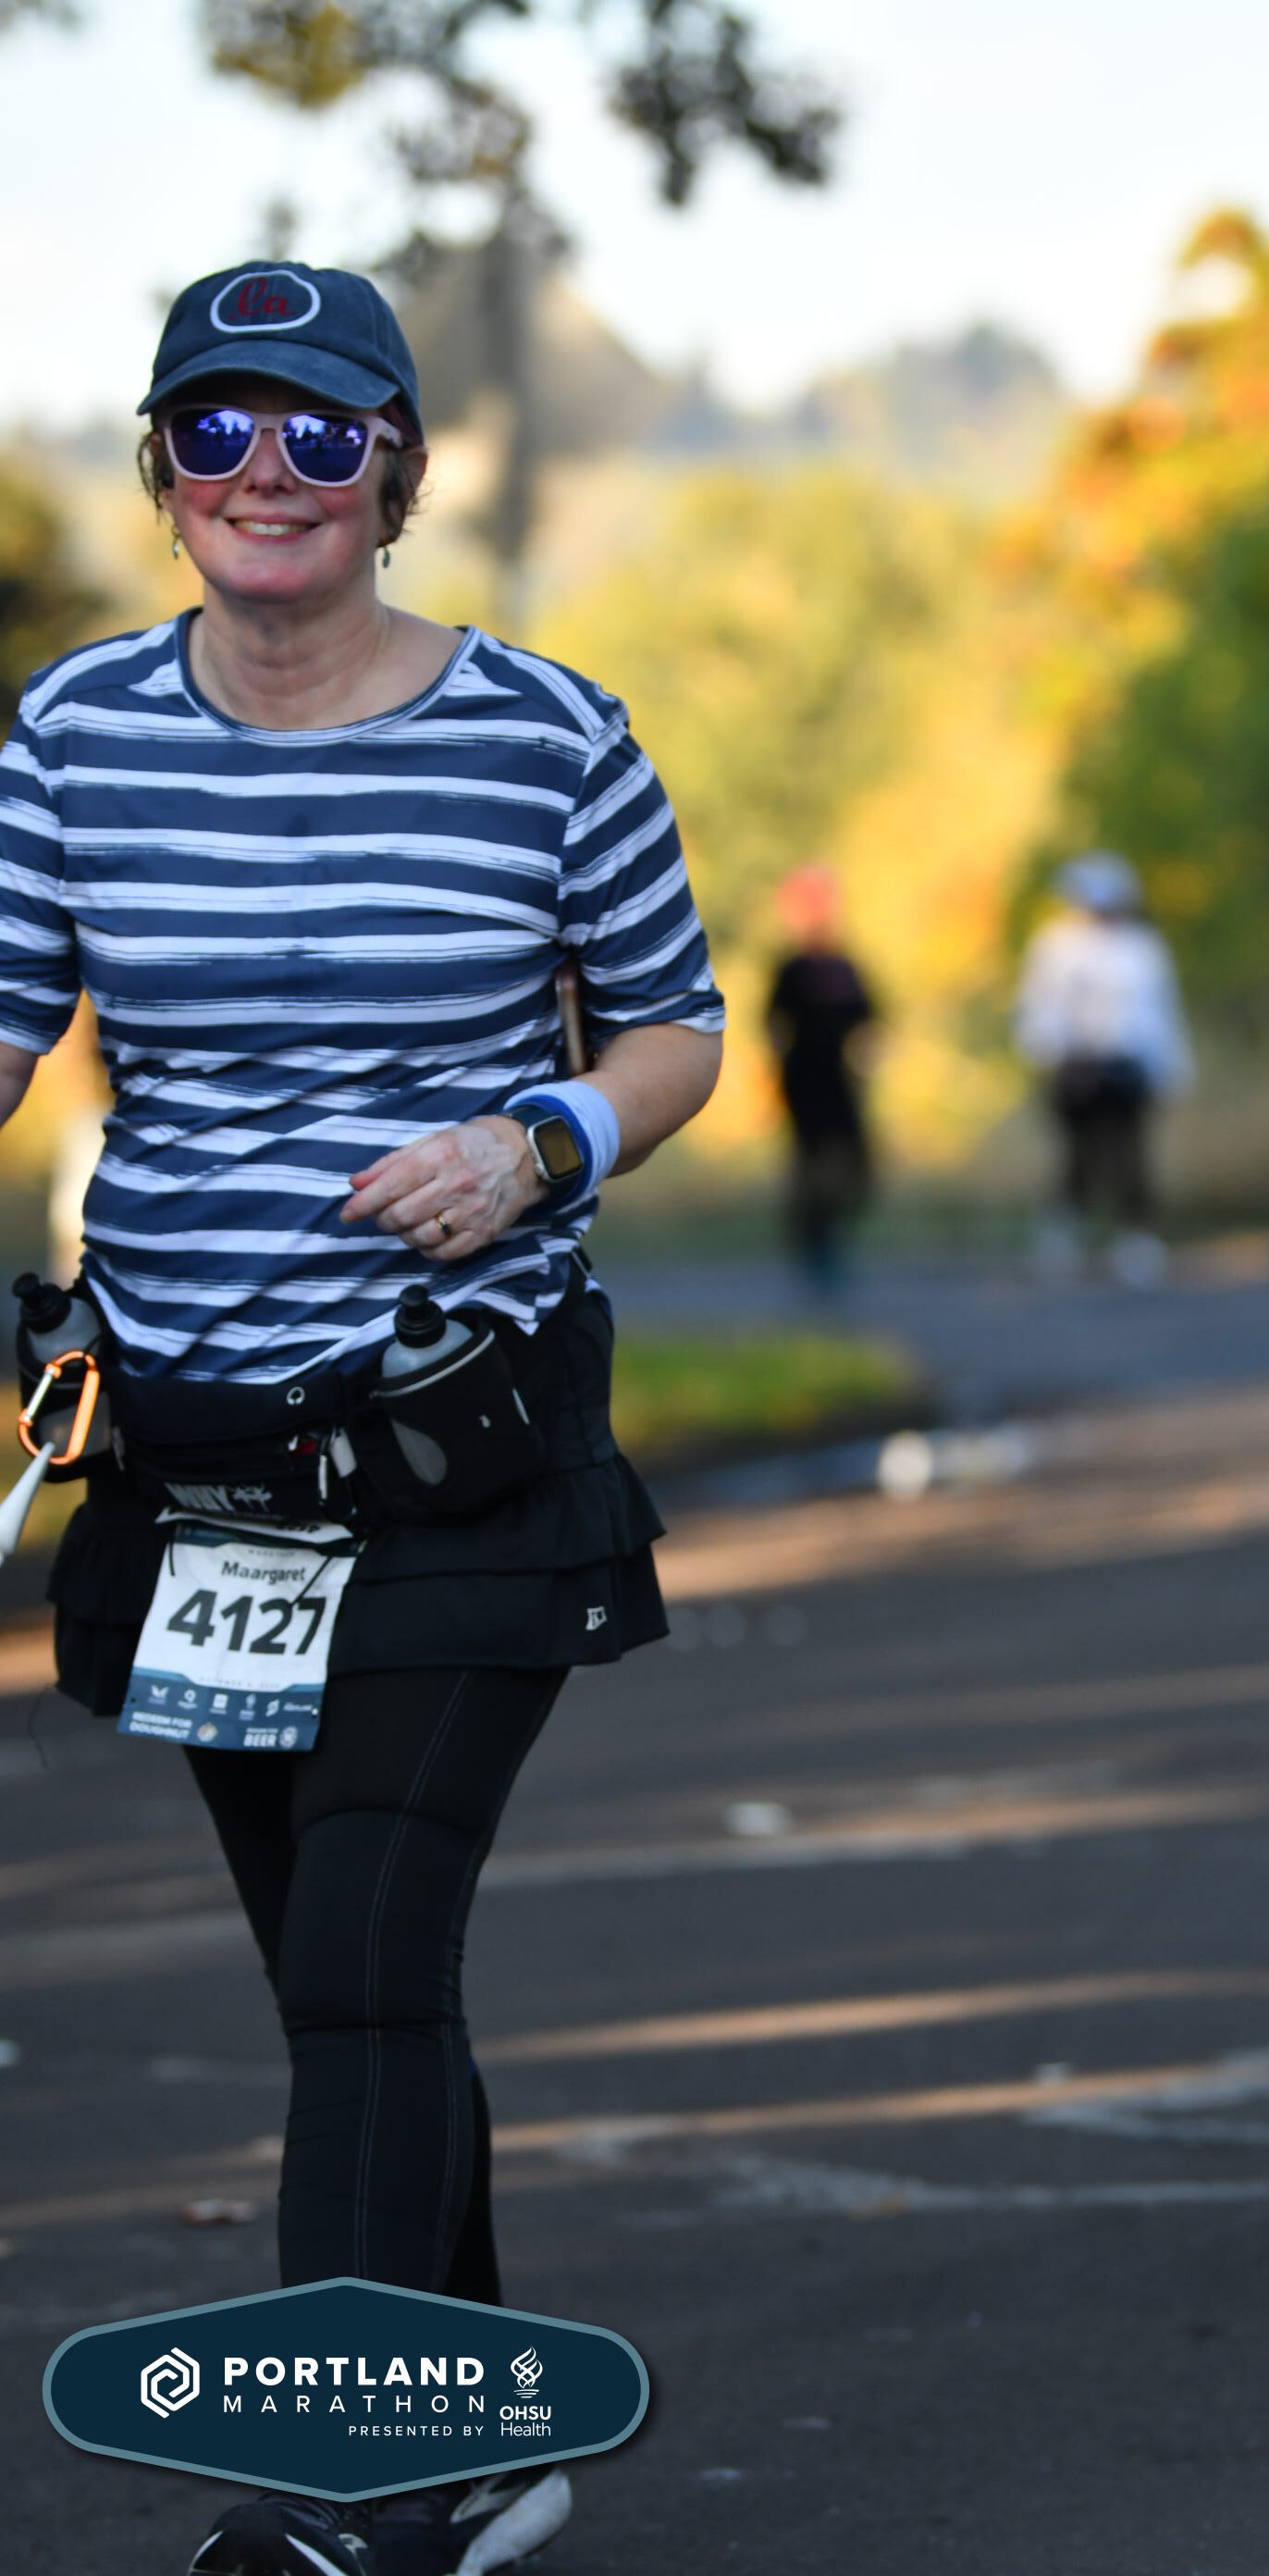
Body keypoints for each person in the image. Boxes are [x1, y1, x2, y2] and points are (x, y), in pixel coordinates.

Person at [0, 261, 723, 2576]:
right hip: (198, 1469)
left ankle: (359, 2486)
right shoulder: (73, 734)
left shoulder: (549, 734)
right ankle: (490, 2438)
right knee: (352, 1976)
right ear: (162, 473)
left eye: (324, 432)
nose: (268, 473)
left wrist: (537, 1142)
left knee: (361, 1962)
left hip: (454, 1452)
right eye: (216, 429)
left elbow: (675, 1029)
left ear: (397, 472)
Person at [1014, 850, 1192, 1286]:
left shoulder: (1142, 947)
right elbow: (1040, 1007)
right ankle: (1063, 1239)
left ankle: (1136, 1242)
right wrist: (1050, 1055)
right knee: (1078, 1157)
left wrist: (1170, 1070)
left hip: (1126, 1066)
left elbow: (1159, 1013)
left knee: (1130, 1157)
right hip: (1076, 1067)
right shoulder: (1056, 945)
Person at [764, 864, 878, 1291]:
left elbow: (870, 1017)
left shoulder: (844, 968)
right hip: (803, 1081)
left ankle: (828, 1238)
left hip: (839, 1079)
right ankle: (815, 1250)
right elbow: (772, 1021)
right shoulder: (792, 969)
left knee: (854, 1165)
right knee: (812, 1167)